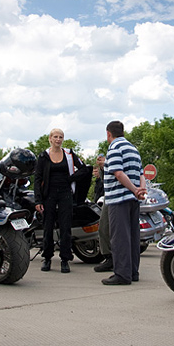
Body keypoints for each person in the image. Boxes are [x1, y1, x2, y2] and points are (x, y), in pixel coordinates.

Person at [34, 128, 90, 274]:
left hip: (65, 193)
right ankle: (47, 258)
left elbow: (84, 169)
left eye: (61, 137)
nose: (58, 139)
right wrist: (38, 200)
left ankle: (65, 259)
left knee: (65, 227)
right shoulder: (43, 156)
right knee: (48, 226)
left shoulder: (69, 154)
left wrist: (71, 178)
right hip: (49, 194)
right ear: (50, 139)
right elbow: (37, 179)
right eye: (56, 137)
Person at [101, 120, 146, 286]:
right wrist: (140, 190)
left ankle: (122, 274)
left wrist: (134, 189)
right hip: (134, 200)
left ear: (108, 133)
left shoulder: (114, 148)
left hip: (118, 198)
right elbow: (141, 173)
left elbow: (118, 173)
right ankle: (133, 272)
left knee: (119, 237)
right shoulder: (133, 149)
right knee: (133, 236)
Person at [92, 153, 114, 273]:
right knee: (104, 227)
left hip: (115, 196)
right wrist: (102, 167)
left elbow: (118, 173)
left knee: (106, 227)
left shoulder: (117, 149)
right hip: (111, 196)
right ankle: (110, 258)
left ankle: (112, 259)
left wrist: (106, 164)